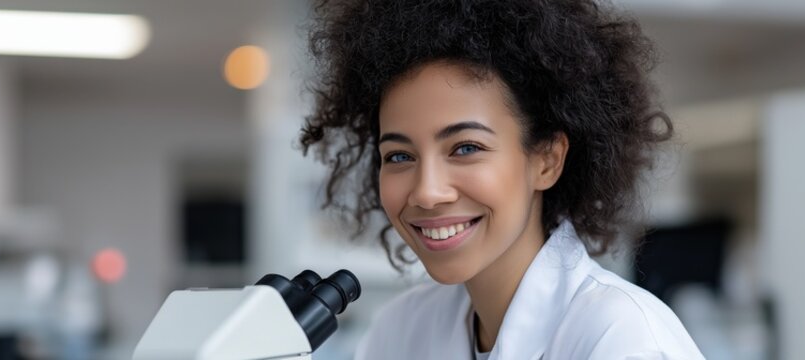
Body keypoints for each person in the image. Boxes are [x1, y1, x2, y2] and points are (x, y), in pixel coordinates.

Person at [300, 0, 704, 359]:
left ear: (547, 159)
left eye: (465, 148)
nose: (426, 191)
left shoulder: (622, 339)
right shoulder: (400, 331)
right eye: (400, 156)